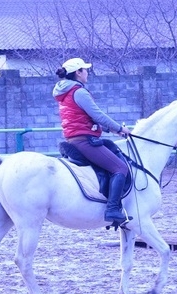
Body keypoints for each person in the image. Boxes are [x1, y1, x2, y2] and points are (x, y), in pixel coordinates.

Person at [53, 57, 131, 224]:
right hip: (84, 140)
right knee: (120, 167)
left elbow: (87, 117)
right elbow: (98, 115)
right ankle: (112, 209)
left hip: (74, 138)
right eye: (85, 70)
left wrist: (111, 130)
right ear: (78, 73)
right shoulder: (79, 92)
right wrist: (120, 128)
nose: (87, 73)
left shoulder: (65, 93)